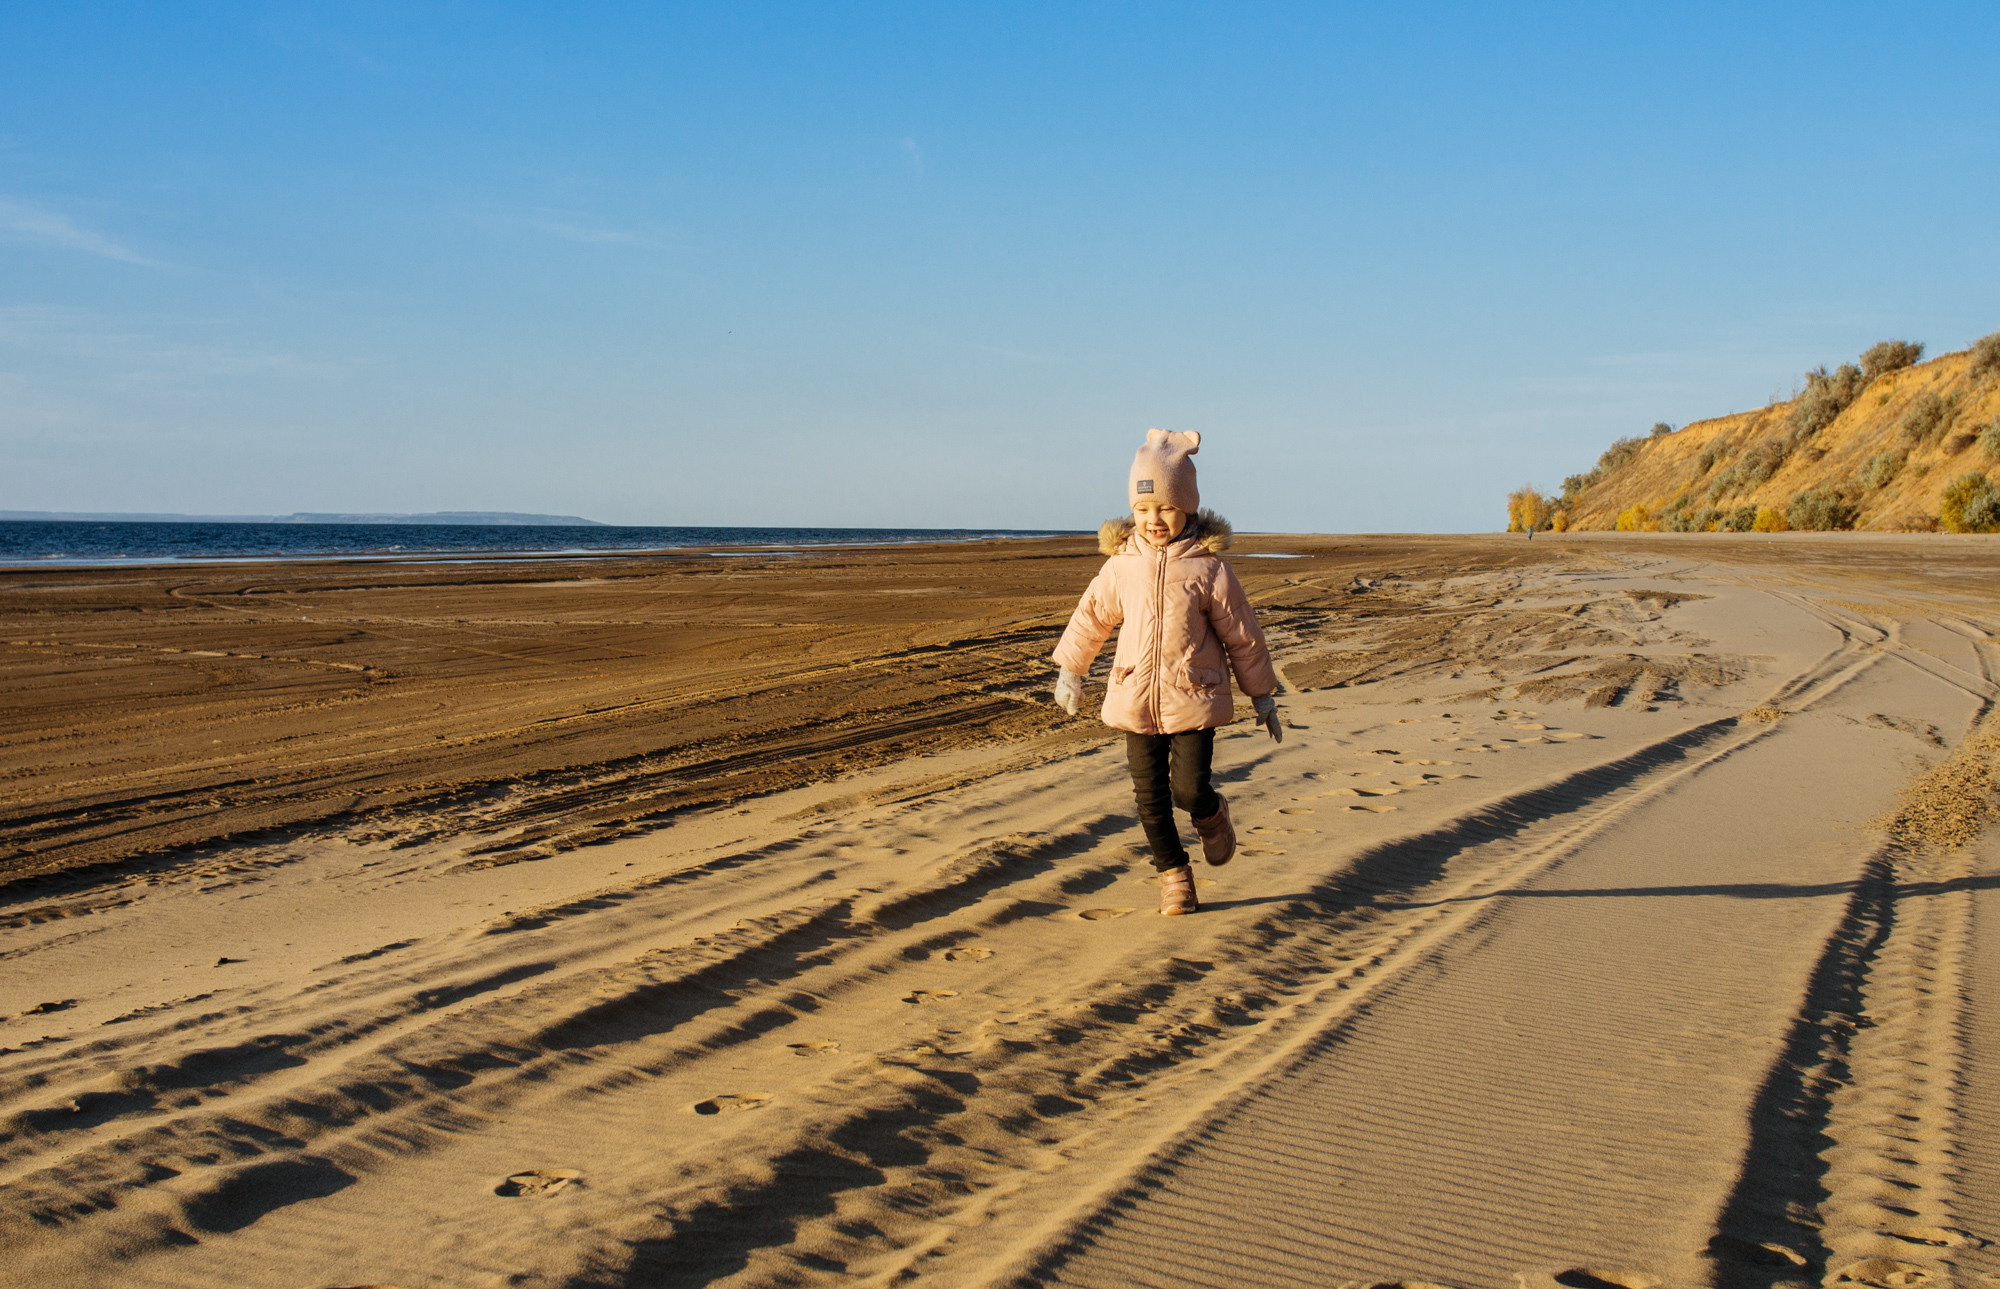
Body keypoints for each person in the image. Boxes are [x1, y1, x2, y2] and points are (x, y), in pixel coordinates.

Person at [1051, 428, 1283, 916]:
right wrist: (1071, 670)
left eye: (1165, 508)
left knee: (1187, 789)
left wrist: (1262, 695)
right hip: (1134, 694)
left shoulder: (1209, 569)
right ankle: (1174, 874)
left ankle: (1210, 812)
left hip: (1193, 696)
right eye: (1142, 510)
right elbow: (1091, 616)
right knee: (1149, 798)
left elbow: (1243, 635)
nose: (1153, 520)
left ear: (1189, 510)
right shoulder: (1121, 566)